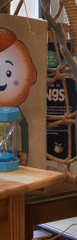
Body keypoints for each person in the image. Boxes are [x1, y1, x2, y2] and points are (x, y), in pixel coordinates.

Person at [0, 27, 38, 165]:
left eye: (8, 73)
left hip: (6, 149)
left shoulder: (14, 111)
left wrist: (25, 151)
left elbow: (24, 126)